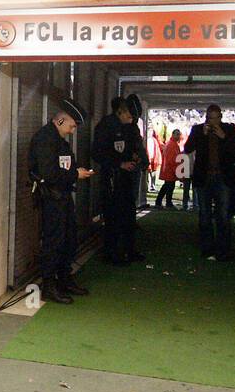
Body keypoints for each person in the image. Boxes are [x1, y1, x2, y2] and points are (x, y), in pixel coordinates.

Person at [28, 98, 94, 304]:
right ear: (60, 121)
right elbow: (49, 173)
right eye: (72, 126)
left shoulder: (59, 141)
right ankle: (49, 286)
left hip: (62, 197)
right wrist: (76, 174)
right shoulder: (44, 140)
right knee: (53, 242)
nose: (72, 131)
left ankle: (64, 279)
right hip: (51, 198)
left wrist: (74, 173)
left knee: (68, 239)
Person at [183, 105, 235, 260]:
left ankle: (223, 250)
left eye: (216, 118)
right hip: (204, 178)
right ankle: (207, 248)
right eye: (210, 118)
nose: (213, 121)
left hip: (222, 178)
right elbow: (187, 148)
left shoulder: (229, 130)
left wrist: (224, 137)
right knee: (204, 215)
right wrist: (200, 136)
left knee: (223, 215)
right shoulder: (197, 130)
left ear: (220, 117)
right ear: (206, 118)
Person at [92, 98, 145, 264]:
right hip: (111, 178)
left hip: (127, 178)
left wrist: (135, 157)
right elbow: (97, 153)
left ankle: (129, 249)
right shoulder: (106, 126)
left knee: (129, 215)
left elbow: (133, 146)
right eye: (129, 116)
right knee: (113, 217)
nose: (131, 120)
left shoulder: (130, 127)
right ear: (120, 111)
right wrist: (119, 164)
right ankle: (112, 253)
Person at [155, 128, 190, 209]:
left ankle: (161, 202)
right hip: (170, 170)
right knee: (169, 187)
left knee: (167, 186)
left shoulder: (172, 144)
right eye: (177, 134)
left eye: (179, 134)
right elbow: (172, 160)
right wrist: (177, 171)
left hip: (169, 169)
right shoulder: (172, 145)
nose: (178, 136)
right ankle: (167, 202)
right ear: (173, 134)